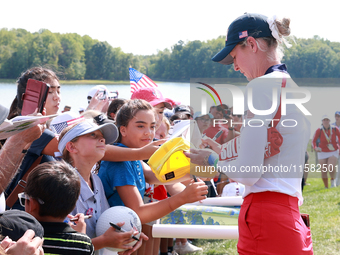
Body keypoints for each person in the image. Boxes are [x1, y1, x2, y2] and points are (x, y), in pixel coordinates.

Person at [188, 13, 313, 254]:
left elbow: (248, 173)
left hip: (266, 215)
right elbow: (274, 152)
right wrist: (223, 149)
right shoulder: (290, 85)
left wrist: (212, 160)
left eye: (235, 57)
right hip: (289, 214)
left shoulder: (260, 86)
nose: (235, 66)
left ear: (252, 44)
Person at [98, 99, 208, 255]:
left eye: (152, 126)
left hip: (121, 233)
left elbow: (154, 176)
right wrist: (183, 197)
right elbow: (138, 211)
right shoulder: (120, 163)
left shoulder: (130, 154)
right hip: (111, 240)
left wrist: (190, 171)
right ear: (123, 130)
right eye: (141, 126)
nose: (149, 133)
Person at [58, 119, 148, 254]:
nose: (102, 139)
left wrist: (127, 232)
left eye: (102, 137)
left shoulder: (96, 180)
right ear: (72, 147)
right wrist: (104, 242)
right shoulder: (60, 185)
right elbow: (58, 242)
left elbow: (105, 222)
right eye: (93, 135)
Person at [5, 67, 60, 210]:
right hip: (21, 216)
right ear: (33, 96)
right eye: (50, 91)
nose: (57, 97)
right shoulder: (30, 129)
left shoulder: (16, 124)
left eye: (58, 91)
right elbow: (76, 148)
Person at [23, 161, 94, 255]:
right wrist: (82, 237)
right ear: (73, 205)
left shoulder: (21, 238)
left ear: (32, 204)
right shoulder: (84, 244)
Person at [312, 115, 340, 188]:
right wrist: (315, 148)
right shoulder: (319, 130)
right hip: (322, 151)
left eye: (327, 120)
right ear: (322, 122)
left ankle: (332, 181)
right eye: (324, 120)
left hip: (333, 150)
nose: (326, 121)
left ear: (329, 121)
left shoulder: (334, 129)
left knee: (330, 167)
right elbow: (313, 141)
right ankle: (326, 187)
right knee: (323, 170)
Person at [332, 111, 340, 186]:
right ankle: (333, 182)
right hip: (333, 149)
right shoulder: (332, 126)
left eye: (338, 116)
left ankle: (338, 183)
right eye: (336, 116)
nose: (337, 118)